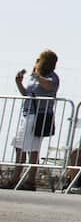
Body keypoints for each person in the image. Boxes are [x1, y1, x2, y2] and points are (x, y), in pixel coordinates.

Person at [6, 50, 60, 191]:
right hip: (28, 113)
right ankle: (16, 178)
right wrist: (19, 83)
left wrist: (37, 76)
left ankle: (29, 180)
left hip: (39, 116)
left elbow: (48, 86)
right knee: (19, 146)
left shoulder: (52, 77)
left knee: (33, 149)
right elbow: (27, 94)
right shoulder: (35, 77)